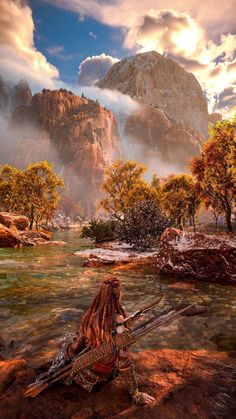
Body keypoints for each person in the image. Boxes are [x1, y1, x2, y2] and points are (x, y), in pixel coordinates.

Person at [51, 275, 154, 405]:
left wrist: (64, 367)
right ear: (117, 295)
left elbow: (75, 349)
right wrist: (136, 393)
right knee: (69, 338)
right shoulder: (118, 319)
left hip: (85, 376)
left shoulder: (89, 316)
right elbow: (123, 357)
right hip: (104, 375)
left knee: (67, 339)